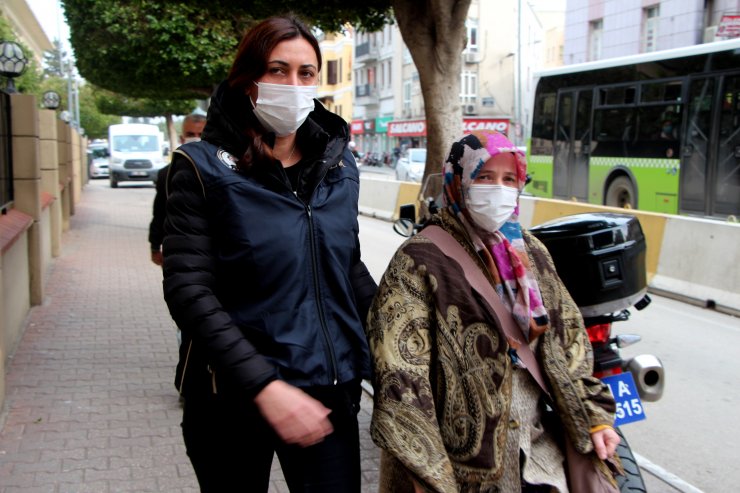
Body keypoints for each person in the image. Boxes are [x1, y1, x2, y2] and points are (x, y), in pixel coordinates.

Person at [161, 15, 376, 493]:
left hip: (327, 391)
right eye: (277, 70)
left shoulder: (339, 165)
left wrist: (397, 353)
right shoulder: (199, 169)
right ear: (247, 78)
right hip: (230, 396)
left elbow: (348, 267)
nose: (292, 85)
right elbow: (188, 289)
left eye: (305, 73)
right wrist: (266, 386)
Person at [367, 131, 621, 492]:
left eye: (509, 179)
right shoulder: (418, 261)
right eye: (485, 177)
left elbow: (569, 342)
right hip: (461, 473)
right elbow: (401, 379)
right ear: (459, 181)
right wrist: (430, 474)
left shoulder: (531, 252)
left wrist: (594, 417)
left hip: (539, 458)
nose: (498, 190)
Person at [148, 112, 206, 266]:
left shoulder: (226, 172)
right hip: (181, 250)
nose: (196, 138)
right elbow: (160, 211)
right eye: (190, 134)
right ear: (182, 138)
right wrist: (155, 245)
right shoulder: (167, 174)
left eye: (201, 134)